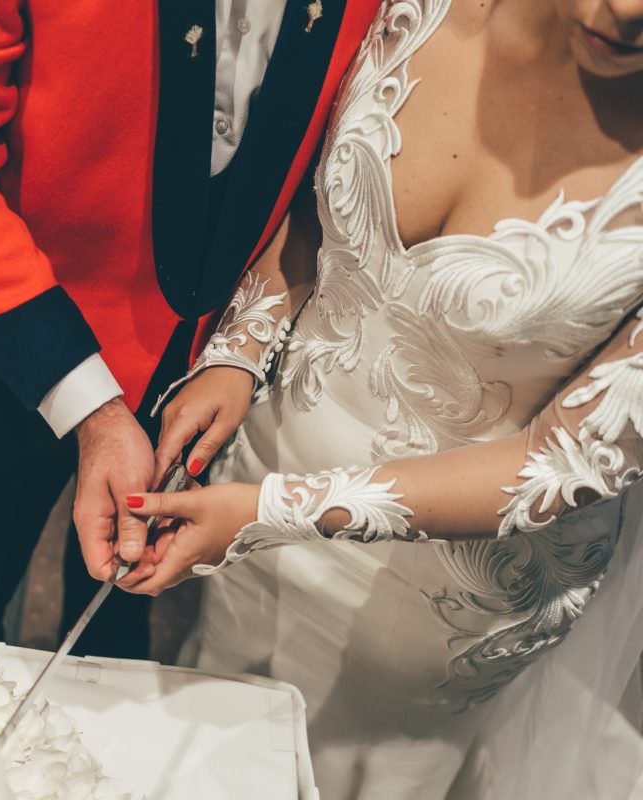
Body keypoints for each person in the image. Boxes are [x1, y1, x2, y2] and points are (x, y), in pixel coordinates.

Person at [118, 0, 643, 795]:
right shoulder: (416, 8)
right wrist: (237, 352)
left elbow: (566, 460)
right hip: (265, 464)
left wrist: (270, 512)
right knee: (215, 739)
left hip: (440, 597)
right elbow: (309, 198)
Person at [0, 0, 381, 656]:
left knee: (116, 621)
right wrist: (90, 406)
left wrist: (238, 349)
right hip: (8, 334)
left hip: (203, 365)